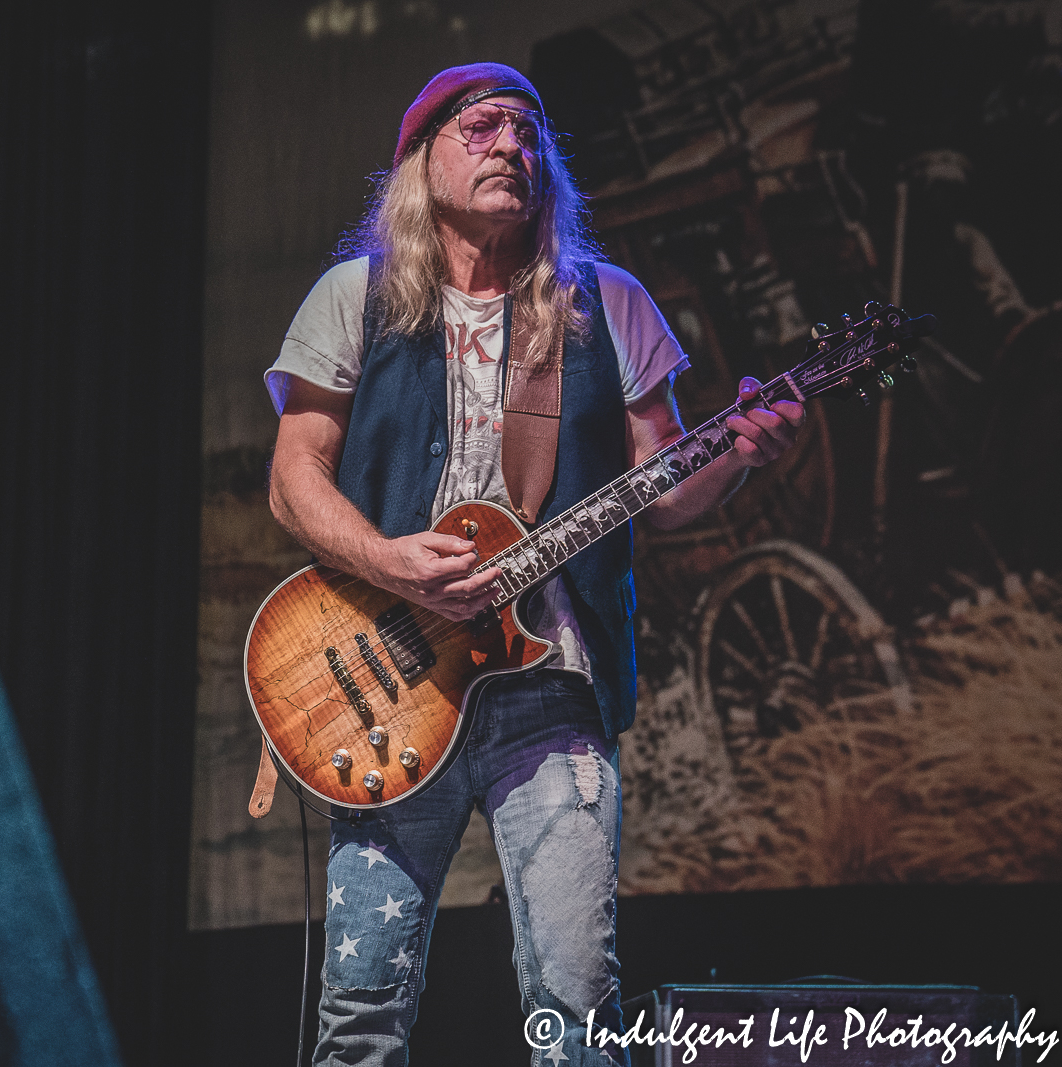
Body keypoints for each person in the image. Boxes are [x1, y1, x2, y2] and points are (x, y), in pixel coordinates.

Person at [264, 63, 805, 1066]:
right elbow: (295, 474)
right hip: (393, 692)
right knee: (359, 1018)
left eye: (527, 130)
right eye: (482, 126)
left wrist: (736, 452)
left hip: (551, 696)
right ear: (421, 160)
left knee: (576, 1015)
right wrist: (388, 560)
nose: (511, 143)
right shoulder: (355, 296)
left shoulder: (609, 302)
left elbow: (668, 487)